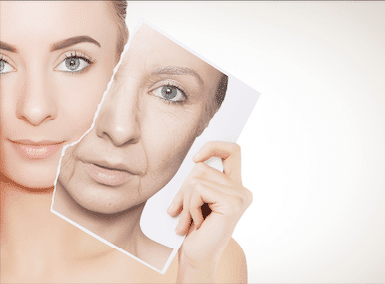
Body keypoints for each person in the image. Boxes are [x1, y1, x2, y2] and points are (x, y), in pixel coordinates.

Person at [1, 2, 250, 283]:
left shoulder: (208, 261)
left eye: (73, 62)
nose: (35, 110)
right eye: (0, 64)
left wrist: (196, 272)